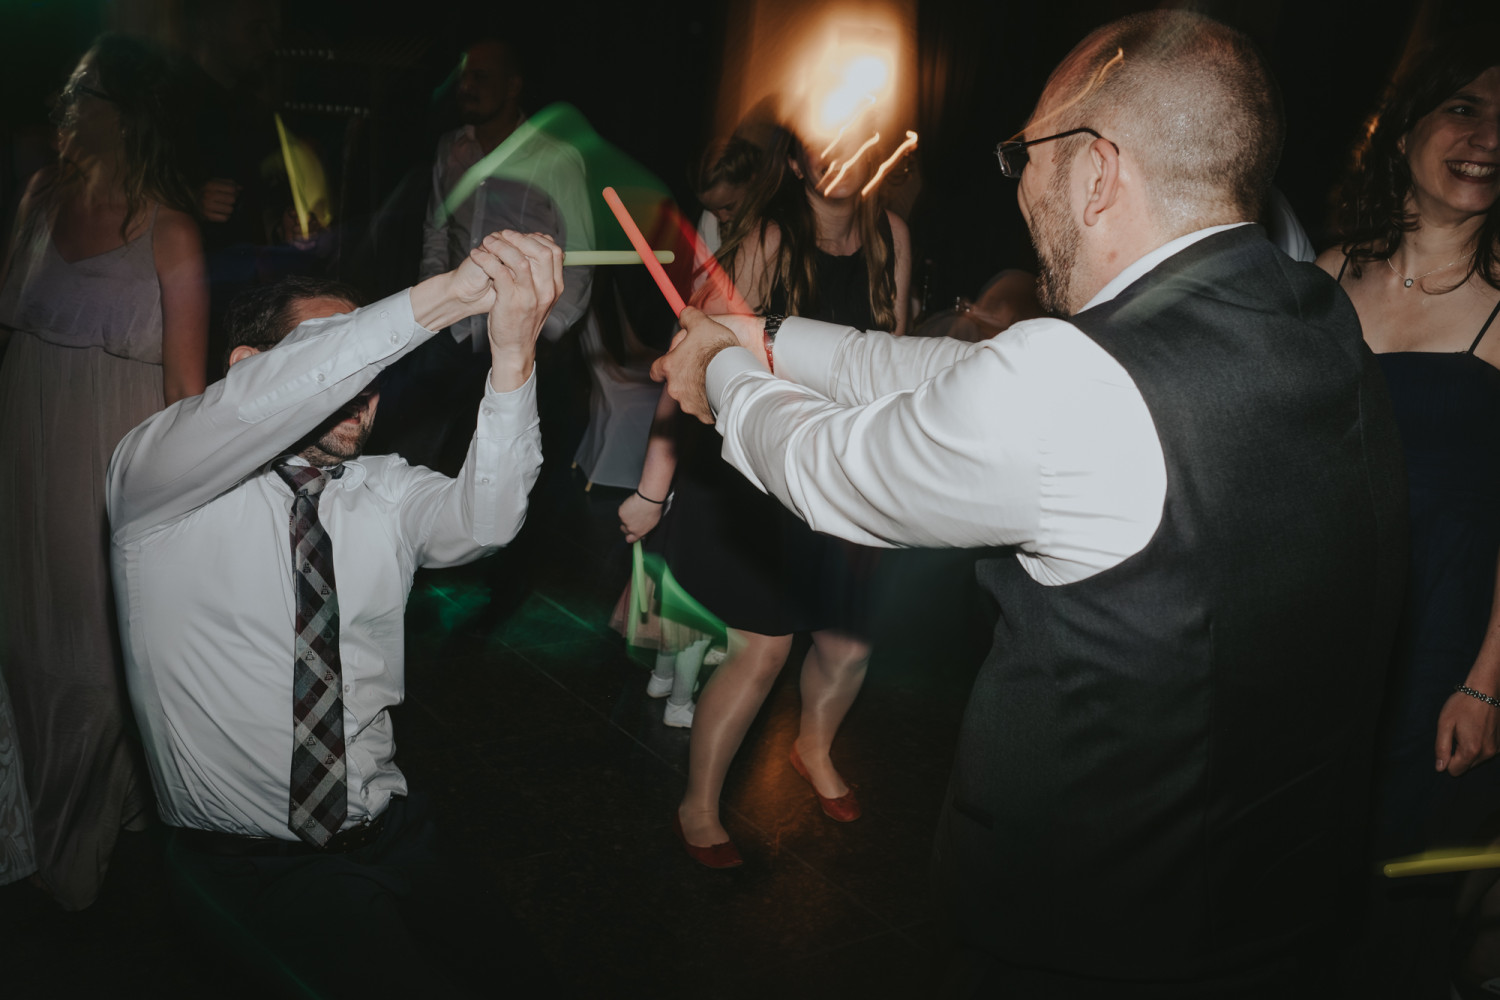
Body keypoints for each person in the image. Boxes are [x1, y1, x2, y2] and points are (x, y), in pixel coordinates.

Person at [654, 10, 1407, 993]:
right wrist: (762, 337)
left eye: (1027, 157)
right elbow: (946, 375)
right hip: (1279, 897)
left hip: (1088, 929)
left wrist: (719, 378)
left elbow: (832, 470)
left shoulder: (1079, 381)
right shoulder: (1318, 314)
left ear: (1097, 170)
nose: (1019, 189)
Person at [105, 231, 561, 996]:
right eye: (337, 354)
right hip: (250, 866)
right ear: (248, 367)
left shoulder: (383, 488)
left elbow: (486, 521)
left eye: (373, 366)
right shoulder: (156, 483)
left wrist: (512, 355)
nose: (360, 383)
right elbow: (309, 376)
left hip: (394, 828)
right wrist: (450, 294)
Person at [627, 123, 911, 865]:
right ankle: (698, 805)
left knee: (849, 644)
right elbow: (690, 361)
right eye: (827, 140)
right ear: (795, 161)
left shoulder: (892, 237)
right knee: (763, 651)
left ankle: (811, 748)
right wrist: (652, 491)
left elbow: (892, 363)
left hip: (840, 472)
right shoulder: (768, 240)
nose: (843, 153)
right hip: (754, 475)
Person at [0, 34, 207, 910]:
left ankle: (70, 847)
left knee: (92, 666)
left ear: (124, 115)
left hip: (108, 482)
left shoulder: (170, 232)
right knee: (19, 648)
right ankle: (22, 828)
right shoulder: (39, 200)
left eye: (82, 91)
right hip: (23, 462)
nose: (64, 102)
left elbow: (188, 398)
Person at [1316, 36, 1500, 998]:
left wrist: (1486, 685)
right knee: (1299, 874)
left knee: (1396, 902)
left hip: (1440, 644)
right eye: (1465, 108)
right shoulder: (1326, 277)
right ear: (1405, 132)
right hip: (1314, 626)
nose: (1489, 138)